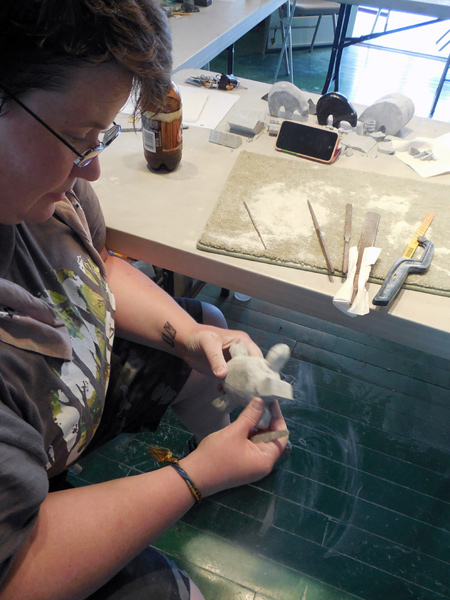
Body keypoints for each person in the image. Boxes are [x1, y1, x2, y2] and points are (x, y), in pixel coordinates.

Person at [0, 1, 288, 599]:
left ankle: (230, 447)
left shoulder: (43, 191)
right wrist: (196, 477)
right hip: (17, 545)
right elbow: (15, 576)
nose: (92, 170)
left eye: (100, 136)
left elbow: (97, 265)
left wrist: (190, 336)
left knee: (204, 332)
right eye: (77, 137)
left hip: (53, 417)